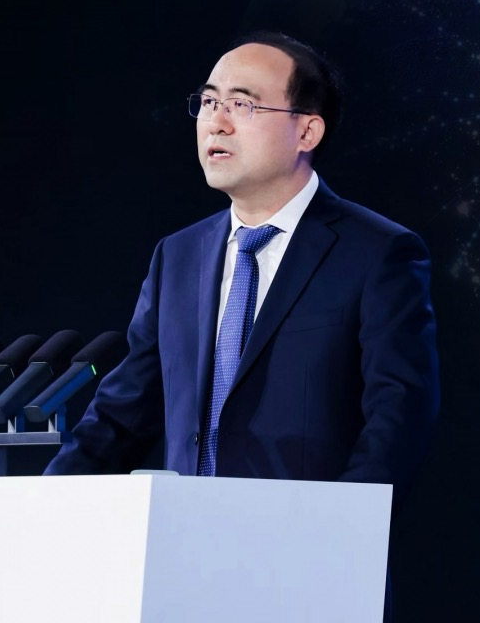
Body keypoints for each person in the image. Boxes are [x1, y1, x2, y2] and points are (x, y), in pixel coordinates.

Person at [45, 31, 439, 619]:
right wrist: (43, 509)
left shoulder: (377, 252)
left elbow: (399, 414)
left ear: (307, 131)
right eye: (208, 102)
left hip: (306, 571)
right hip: (182, 569)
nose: (217, 122)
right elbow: (123, 413)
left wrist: (339, 537)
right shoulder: (178, 256)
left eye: (243, 104)